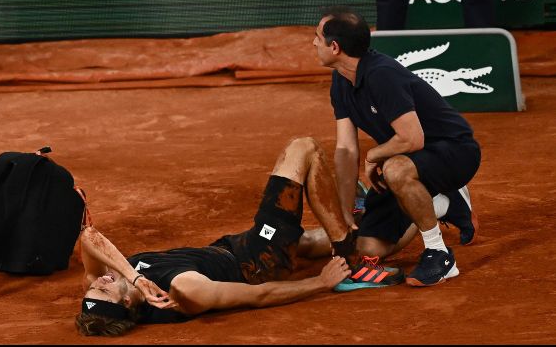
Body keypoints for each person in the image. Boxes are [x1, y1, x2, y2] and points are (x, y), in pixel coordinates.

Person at [74, 136, 405, 337]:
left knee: (342, 242)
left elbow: (89, 236)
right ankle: (349, 256)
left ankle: (426, 211)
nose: (99, 282)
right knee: (303, 149)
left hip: (235, 245)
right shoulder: (184, 292)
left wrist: (133, 277)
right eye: (104, 291)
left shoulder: (117, 278)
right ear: (128, 302)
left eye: (94, 286)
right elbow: (256, 296)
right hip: (260, 260)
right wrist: (319, 283)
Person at [313, 6, 481, 287]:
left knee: (394, 169)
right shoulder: (340, 80)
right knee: (369, 247)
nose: (313, 42)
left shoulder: (382, 75)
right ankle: (441, 203)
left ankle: (438, 253)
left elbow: (413, 138)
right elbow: (345, 150)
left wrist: (374, 155)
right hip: (412, 156)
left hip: (454, 151)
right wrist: (343, 215)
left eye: (317, 36)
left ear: (335, 47)